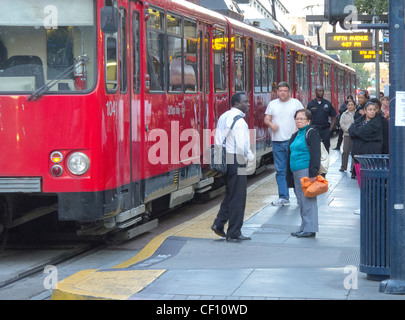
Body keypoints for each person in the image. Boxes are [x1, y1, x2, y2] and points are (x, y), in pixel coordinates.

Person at [211, 92, 255, 242]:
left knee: (230, 193)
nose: (248, 104)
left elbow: (217, 139)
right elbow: (242, 145)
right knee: (238, 196)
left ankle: (219, 223)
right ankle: (234, 232)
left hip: (224, 159)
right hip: (237, 160)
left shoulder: (223, 117)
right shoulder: (241, 122)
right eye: (245, 102)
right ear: (237, 104)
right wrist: (250, 157)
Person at [264, 82, 304, 206]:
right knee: (280, 170)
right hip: (277, 142)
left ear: (289, 92)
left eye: (284, 90)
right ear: (277, 92)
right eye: (280, 90)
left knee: (295, 170)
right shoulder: (272, 104)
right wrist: (271, 125)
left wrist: (299, 128)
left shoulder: (296, 103)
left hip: (293, 141)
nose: (282, 92)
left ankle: (300, 197)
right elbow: (266, 118)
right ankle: (283, 197)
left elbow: (304, 117)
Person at [286, 109, 321, 238]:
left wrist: (313, 173)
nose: (299, 121)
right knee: (301, 200)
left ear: (308, 120)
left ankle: (310, 229)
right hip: (296, 171)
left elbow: (316, 153)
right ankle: (305, 226)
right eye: (297, 118)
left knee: (308, 200)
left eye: (301, 118)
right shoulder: (297, 134)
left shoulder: (311, 132)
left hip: (306, 171)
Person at [349, 101, 383, 187]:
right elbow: (350, 130)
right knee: (361, 185)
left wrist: (356, 131)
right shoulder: (359, 120)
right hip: (358, 158)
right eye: (370, 109)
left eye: (374, 110)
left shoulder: (376, 123)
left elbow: (362, 132)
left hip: (370, 159)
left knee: (368, 186)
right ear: (365, 111)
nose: (372, 112)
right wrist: (357, 132)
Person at [306, 86, 337, 152]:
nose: (321, 92)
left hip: (325, 130)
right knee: (314, 149)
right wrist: (309, 128)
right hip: (314, 130)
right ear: (315, 92)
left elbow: (334, 117)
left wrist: (330, 130)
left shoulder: (328, 104)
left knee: (325, 149)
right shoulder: (310, 104)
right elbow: (306, 117)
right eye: (319, 91)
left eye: (322, 91)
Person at [339, 100, 356, 173]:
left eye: (352, 105)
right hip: (346, 135)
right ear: (347, 106)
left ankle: (353, 168)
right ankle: (343, 166)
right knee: (345, 151)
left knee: (354, 152)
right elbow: (341, 123)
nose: (350, 106)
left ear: (354, 106)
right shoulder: (344, 114)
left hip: (355, 135)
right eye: (349, 105)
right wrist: (348, 130)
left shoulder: (357, 114)